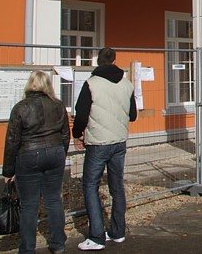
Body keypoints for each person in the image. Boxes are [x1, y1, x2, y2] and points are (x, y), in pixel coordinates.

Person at [73, 47, 137, 251]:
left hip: (98, 142)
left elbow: (81, 114)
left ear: (98, 61)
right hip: (119, 141)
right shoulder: (127, 84)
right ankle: (118, 231)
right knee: (116, 186)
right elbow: (133, 115)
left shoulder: (91, 83)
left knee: (90, 185)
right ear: (115, 60)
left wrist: (77, 134)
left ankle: (97, 236)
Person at [2, 70, 70, 254]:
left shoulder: (20, 107)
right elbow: (65, 134)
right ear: (47, 85)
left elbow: (12, 140)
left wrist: (8, 171)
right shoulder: (58, 105)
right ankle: (58, 244)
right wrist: (60, 154)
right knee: (54, 200)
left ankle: (27, 249)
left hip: (29, 154)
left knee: (29, 205)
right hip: (54, 152)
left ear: (30, 84)